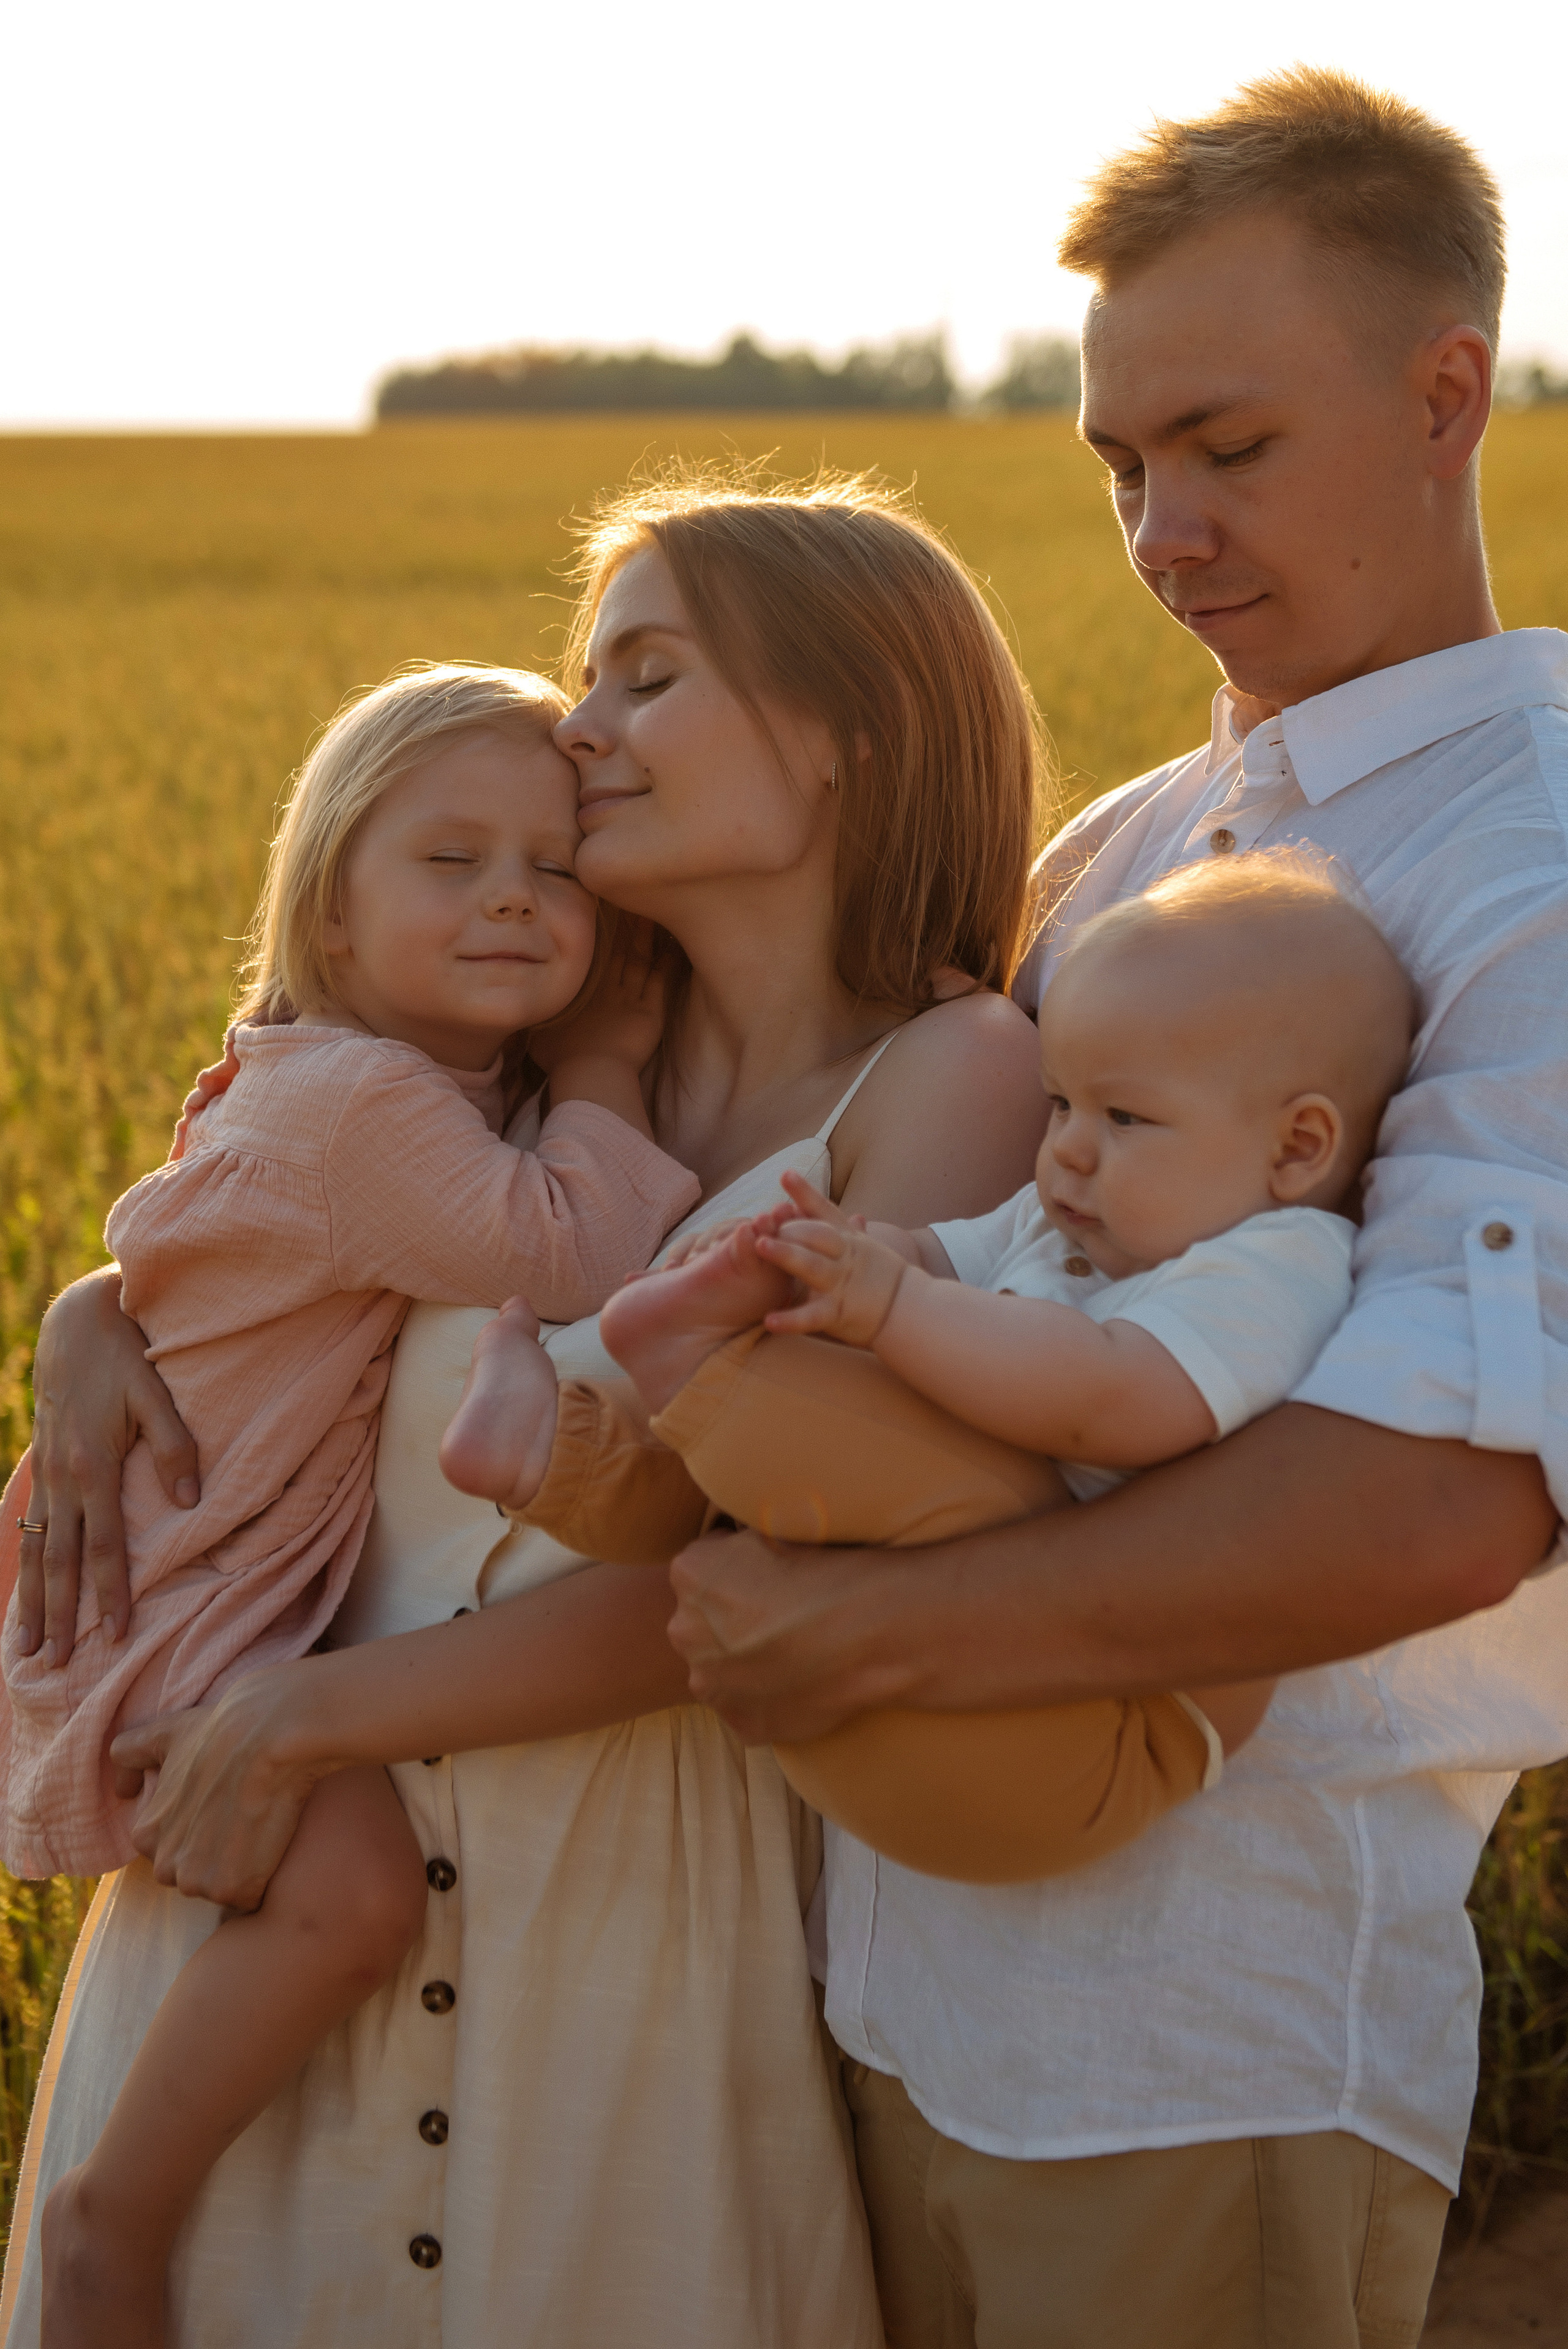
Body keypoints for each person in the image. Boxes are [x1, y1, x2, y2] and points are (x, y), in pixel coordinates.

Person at [660, 69, 1568, 2348]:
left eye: (1228, 446)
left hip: (1206, 2036)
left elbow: (1453, 1496)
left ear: (1445, 392)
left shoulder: (1531, 859)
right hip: (892, 1993)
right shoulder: (1134, 844)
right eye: (1120, 465)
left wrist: (870, 1633)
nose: (1163, 529)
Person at [0, 472, 1047, 2348]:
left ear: (839, 739)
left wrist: (312, 1713)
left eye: (645, 673)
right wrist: (98, 1314)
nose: (580, 729)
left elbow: (778, 1578)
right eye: (589, 671)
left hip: (600, 1927)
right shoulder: (510, 1067)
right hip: (263, 1918)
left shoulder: (954, 1077)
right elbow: (270, 1242)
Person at [4, 662, 703, 2347]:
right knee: (358, 1891)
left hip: (203, 1567)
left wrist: (92, 1296)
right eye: (449, 862)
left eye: (553, 866)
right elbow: (571, 1253)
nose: (516, 900)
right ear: (331, 901)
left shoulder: (352, 1075)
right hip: (177, 1598)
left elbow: (181, 1213)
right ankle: (115, 2220)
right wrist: (610, 1064)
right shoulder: (379, 1100)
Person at [445, 852, 1415, 1882]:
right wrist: (840, 1253)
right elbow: (944, 1253)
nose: (1071, 1152)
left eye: (1124, 1116)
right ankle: (554, 1448)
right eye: (1059, 1106)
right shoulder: (1071, 1214)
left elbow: (1114, 1401)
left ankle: (683, 1351)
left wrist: (893, 1306)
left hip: (1097, 1724)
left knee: (857, 1398)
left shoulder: (1276, 1260)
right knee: (758, 1474)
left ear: (1298, 1147)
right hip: (919, 1673)